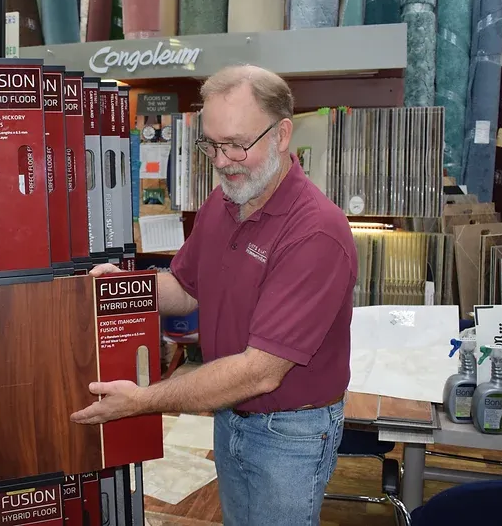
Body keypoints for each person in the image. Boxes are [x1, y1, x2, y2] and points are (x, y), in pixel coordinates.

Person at [71, 65, 357, 526]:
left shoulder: (316, 233)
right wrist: (121, 289)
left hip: (290, 433)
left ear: (283, 134)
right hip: (230, 414)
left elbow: (259, 372)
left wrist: (143, 401)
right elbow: (185, 289)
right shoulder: (224, 202)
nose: (223, 161)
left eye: (237, 144)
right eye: (213, 145)